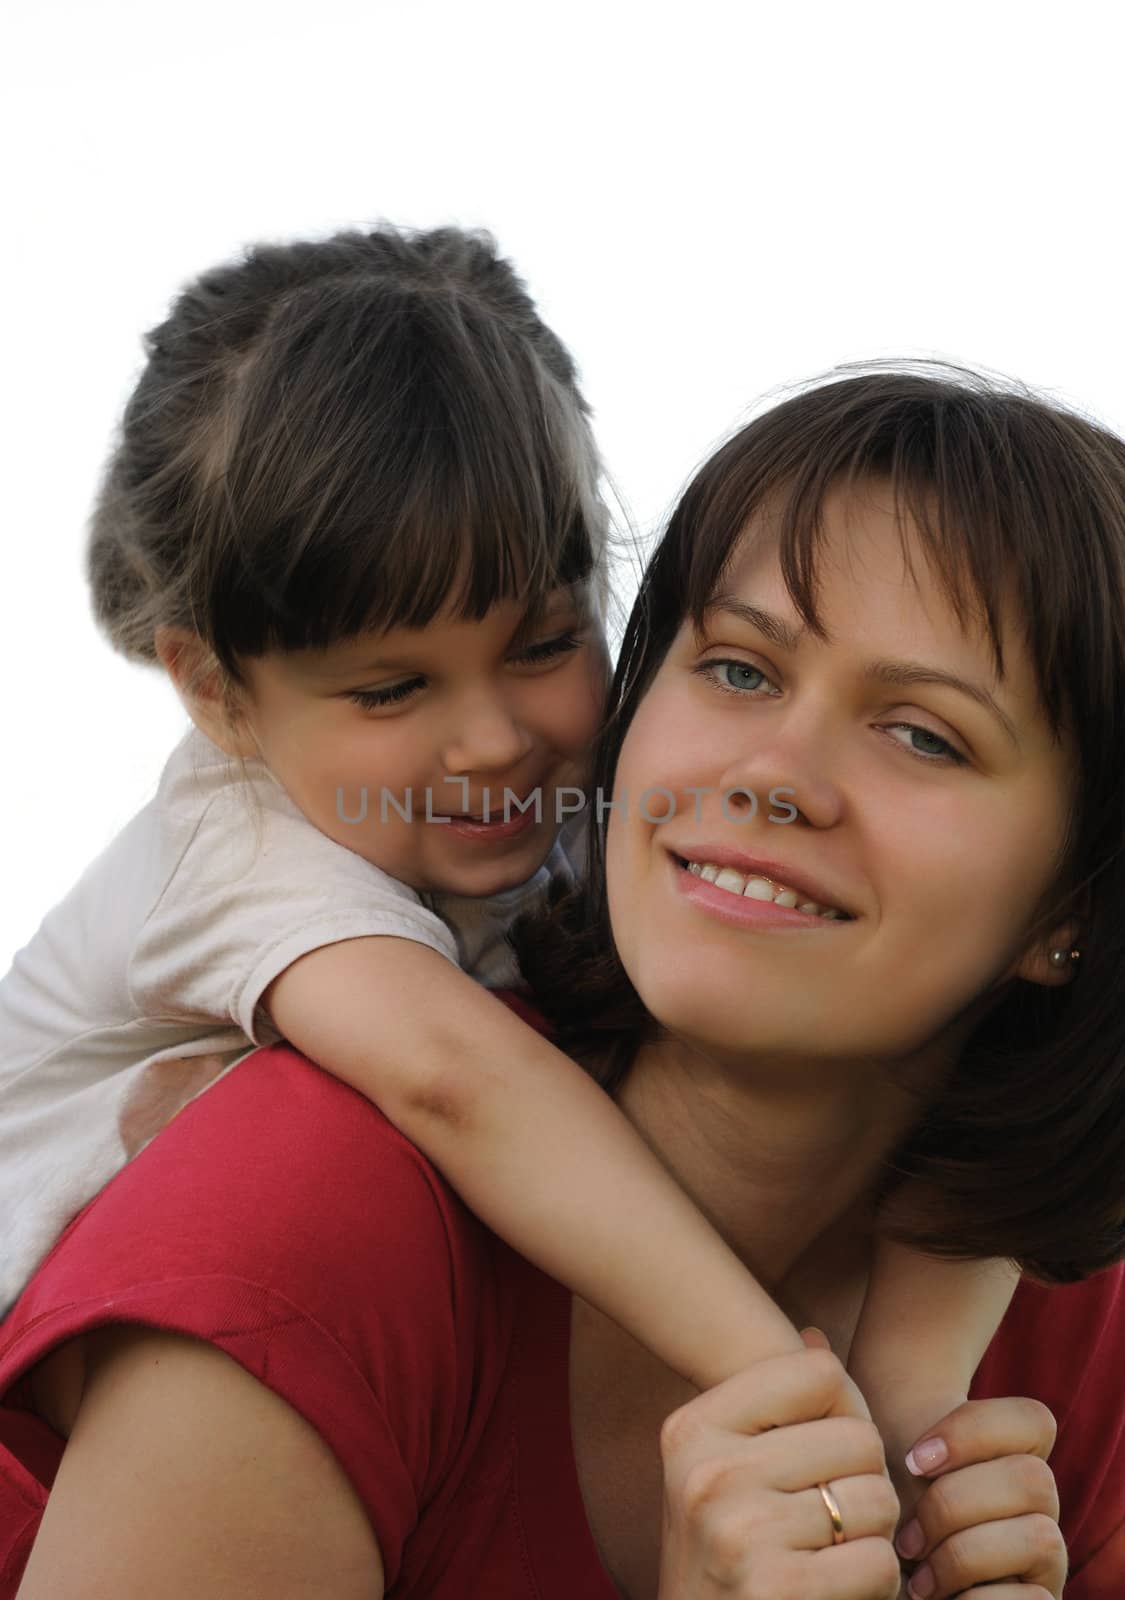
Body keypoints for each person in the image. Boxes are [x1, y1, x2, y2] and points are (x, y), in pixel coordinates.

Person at [4, 364, 1123, 1598]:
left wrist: (905, 1432)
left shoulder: (1070, 1348)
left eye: (923, 733)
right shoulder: (302, 1228)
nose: (771, 774)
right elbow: (455, 1079)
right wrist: (794, 1396)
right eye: (742, 668)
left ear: (1072, 903)